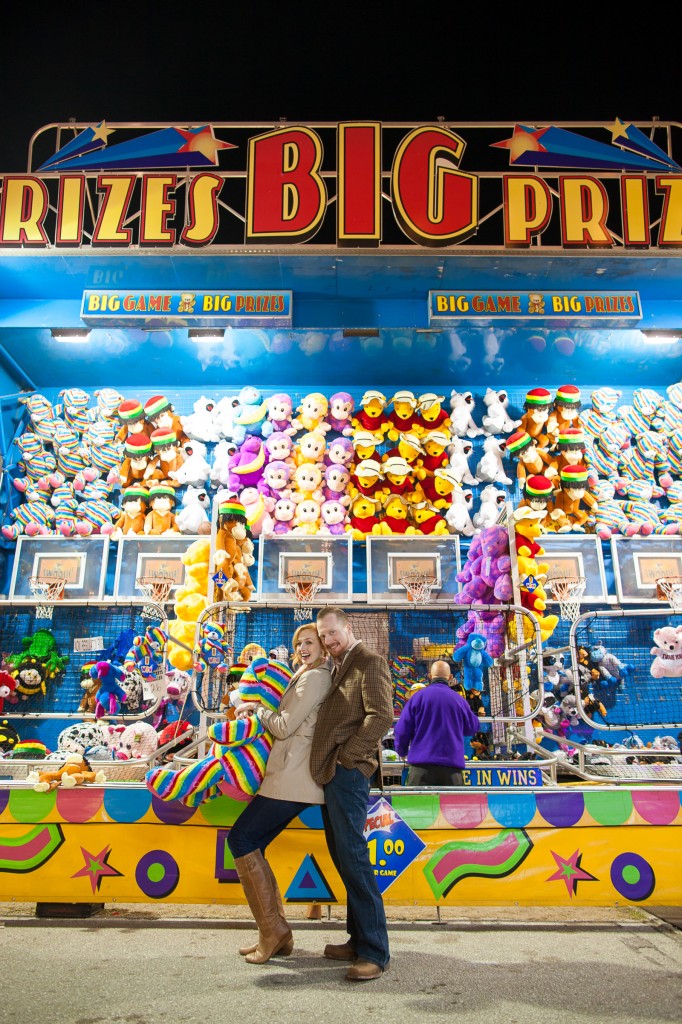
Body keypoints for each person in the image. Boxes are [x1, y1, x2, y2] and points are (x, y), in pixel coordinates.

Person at [226, 625, 332, 964]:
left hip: (293, 778)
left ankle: (273, 930)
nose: (302, 647)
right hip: (288, 776)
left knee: (241, 839)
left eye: (310, 642)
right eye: (299, 643)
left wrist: (256, 709)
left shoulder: (315, 677)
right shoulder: (306, 673)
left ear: (324, 646)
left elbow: (284, 725)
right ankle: (274, 931)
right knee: (252, 843)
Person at [311, 606, 393, 982]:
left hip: (348, 773)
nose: (328, 641)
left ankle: (375, 951)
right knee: (344, 858)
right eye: (322, 636)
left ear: (347, 626)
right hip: (333, 774)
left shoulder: (368, 661)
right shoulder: (338, 664)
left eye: (332, 633)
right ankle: (358, 938)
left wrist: (347, 757)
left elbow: (381, 717)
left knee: (355, 859)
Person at [393, 659, 480, 786]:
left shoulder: (417, 698)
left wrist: (402, 751)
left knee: (418, 806)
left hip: (420, 769)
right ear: (450, 677)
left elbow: (402, 730)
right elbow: (472, 727)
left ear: (429, 676)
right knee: (451, 806)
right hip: (452, 770)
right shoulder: (459, 700)